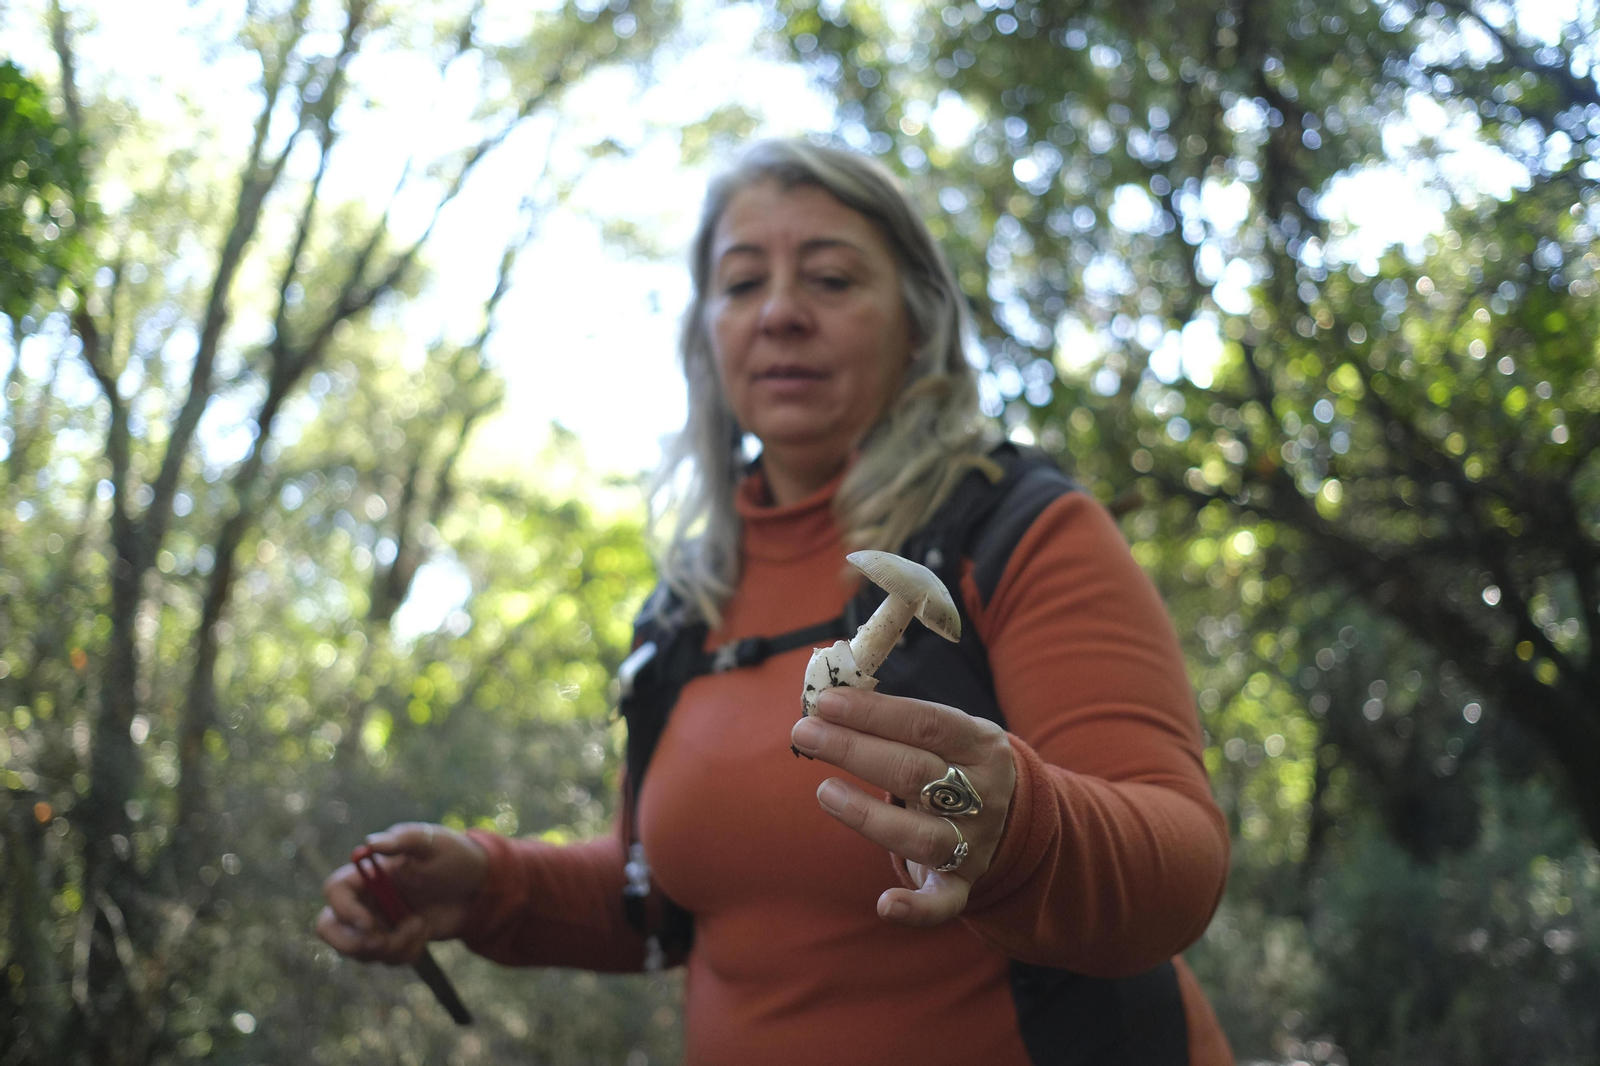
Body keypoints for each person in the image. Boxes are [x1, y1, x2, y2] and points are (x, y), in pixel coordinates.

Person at [318, 139, 1234, 1064]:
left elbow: (1179, 867)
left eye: (832, 280)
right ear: (707, 335)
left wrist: (1023, 835)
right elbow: (660, 901)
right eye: (743, 283)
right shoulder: (684, 607)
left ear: (915, 323)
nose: (783, 314)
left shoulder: (1020, 530)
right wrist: (483, 886)